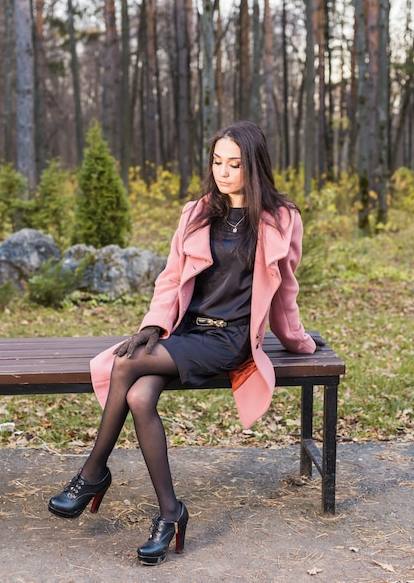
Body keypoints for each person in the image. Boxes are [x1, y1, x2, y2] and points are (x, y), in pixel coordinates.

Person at [48, 120, 318, 566]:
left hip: (229, 338)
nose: (223, 172)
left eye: (234, 163)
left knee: (125, 365)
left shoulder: (281, 219)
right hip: (185, 331)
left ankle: (92, 474)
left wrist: (298, 341)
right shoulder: (197, 212)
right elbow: (171, 279)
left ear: (254, 166)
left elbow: (285, 291)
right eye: (217, 161)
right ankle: (171, 513)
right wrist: (154, 324)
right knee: (137, 393)